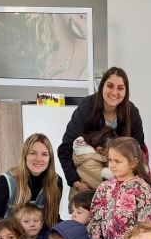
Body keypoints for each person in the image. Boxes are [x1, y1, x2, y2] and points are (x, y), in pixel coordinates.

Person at [0, 133, 63, 239]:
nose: (39, 159)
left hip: (37, 231)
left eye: (44, 154)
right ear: (25, 156)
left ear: (50, 158)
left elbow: (52, 218)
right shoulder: (5, 181)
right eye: (33, 153)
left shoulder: (56, 181)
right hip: (8, 233)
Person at [58, 67, 144, 195]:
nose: (114, 92)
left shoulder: (132, 112)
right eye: (110, 86)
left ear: (126, 91)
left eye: (120, 88)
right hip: (87, 178)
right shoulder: (86, 107)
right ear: (102, 86)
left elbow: (139, 150)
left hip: (120, 181)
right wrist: (76, 183)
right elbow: (65, 149)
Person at [87, 137, 151, 239]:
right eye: (110, 160)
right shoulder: (104, 187)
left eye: (118, 161)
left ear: (133, 163)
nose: (112, 165)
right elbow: (94, 217)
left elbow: (147, 222)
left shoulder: (141, 188)